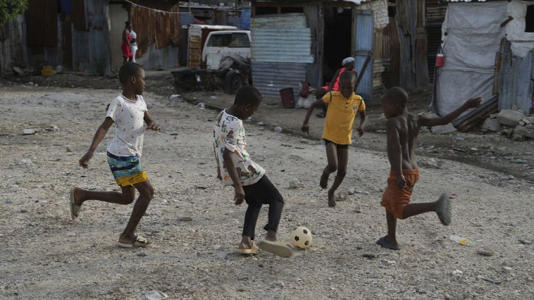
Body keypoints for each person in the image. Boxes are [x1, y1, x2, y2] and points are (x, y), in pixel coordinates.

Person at [377, 87, 481, 250]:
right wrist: (466, 106)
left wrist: (397, 174)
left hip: (401, 171)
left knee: (400, 209)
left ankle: (435, 205)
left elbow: (395, 149)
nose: (384, 110)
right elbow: (444, 120)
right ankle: (390, 238)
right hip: (413, 170)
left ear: (397, 105)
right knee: (388, 201)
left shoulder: (393, 123)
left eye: (386, 106)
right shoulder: (416, 119)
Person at [69, 63, 160, 248]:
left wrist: (152, 125)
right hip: (122, 155)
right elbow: (104, 127)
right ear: (133, 80)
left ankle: (81, 195)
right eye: (143, 79)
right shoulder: (118, 102)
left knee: (127, 198)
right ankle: (127, 235)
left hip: (129, 154)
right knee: (148, 192)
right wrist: (91, 151)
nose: (145, 83)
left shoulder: (140, 100)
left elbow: (148, 119)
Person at [213, 86, 291, 257]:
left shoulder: (222, 115)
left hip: (231, 172)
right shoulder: (236, 123)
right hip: (245, 171)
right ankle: (271, 236)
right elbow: (228, 153)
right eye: (253, 110)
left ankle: (246, 241)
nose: (252, 114)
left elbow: (217, 144)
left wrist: (220, 169)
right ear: (245, 107)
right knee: (277, 199)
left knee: (255, 203)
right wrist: (238, 187)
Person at [301, 71, 366, 207]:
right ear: (339, 86)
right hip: (330, 136)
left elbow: (363, 115)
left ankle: (331, 192)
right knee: (333, 166)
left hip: (345, 139)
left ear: (355, 86)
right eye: (343, 87)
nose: (346, 90)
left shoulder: (358, 100)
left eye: (350, 87)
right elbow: (313, 105)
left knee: (343, 171)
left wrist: (361, 126)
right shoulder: (332, 96)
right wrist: (306, 122)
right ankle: (325, 174)